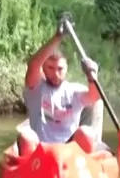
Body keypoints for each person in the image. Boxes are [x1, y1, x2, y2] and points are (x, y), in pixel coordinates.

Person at [17, 18, 102, 156]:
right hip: (41, 151)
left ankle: (86, 168)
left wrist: (92, 77)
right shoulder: (35, 88)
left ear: (67, 68)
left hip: (69, 152)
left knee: (86, 133)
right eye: (50, 68)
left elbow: (93, 97)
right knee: (25, 137)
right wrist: (58, 37)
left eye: (60, 69)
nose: (56, 74)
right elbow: (33, 65)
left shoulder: (74, 90)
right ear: (43, 68)